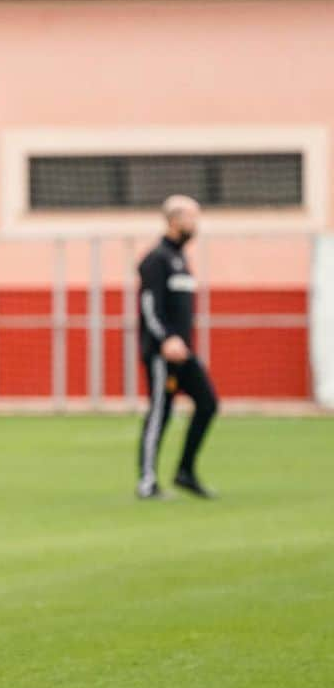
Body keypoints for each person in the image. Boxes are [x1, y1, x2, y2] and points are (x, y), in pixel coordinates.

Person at [136, 194, 219, 500]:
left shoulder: (181, 259)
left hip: (184, 352)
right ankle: (147, 481)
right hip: (163, 354)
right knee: (160, 412)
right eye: (191, 218)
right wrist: (165, 339)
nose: (195, 225)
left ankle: (185, 471)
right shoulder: (155, 259)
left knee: (208, 403)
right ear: (174, 220)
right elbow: (149, 307)